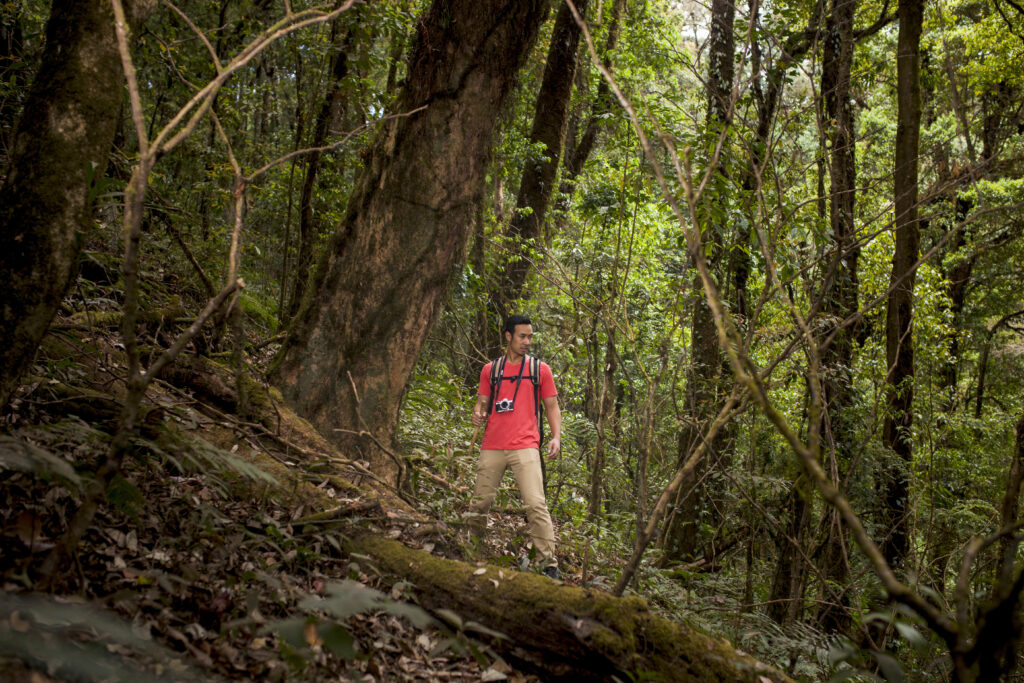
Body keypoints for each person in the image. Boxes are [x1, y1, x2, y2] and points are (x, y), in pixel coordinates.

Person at [469, 314, 562, 579]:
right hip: (493, 445)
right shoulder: (491, 370)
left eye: (530, 336)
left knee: (535, 504)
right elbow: (482, 402)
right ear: (508, 336)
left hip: (526, 446)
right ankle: (472, 551)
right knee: (480, 503)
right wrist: (477, 413)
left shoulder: (539, 370)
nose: (527, 341)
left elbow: (552, 406)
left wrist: (556, 437)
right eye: (522, 336)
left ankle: (549, 564)